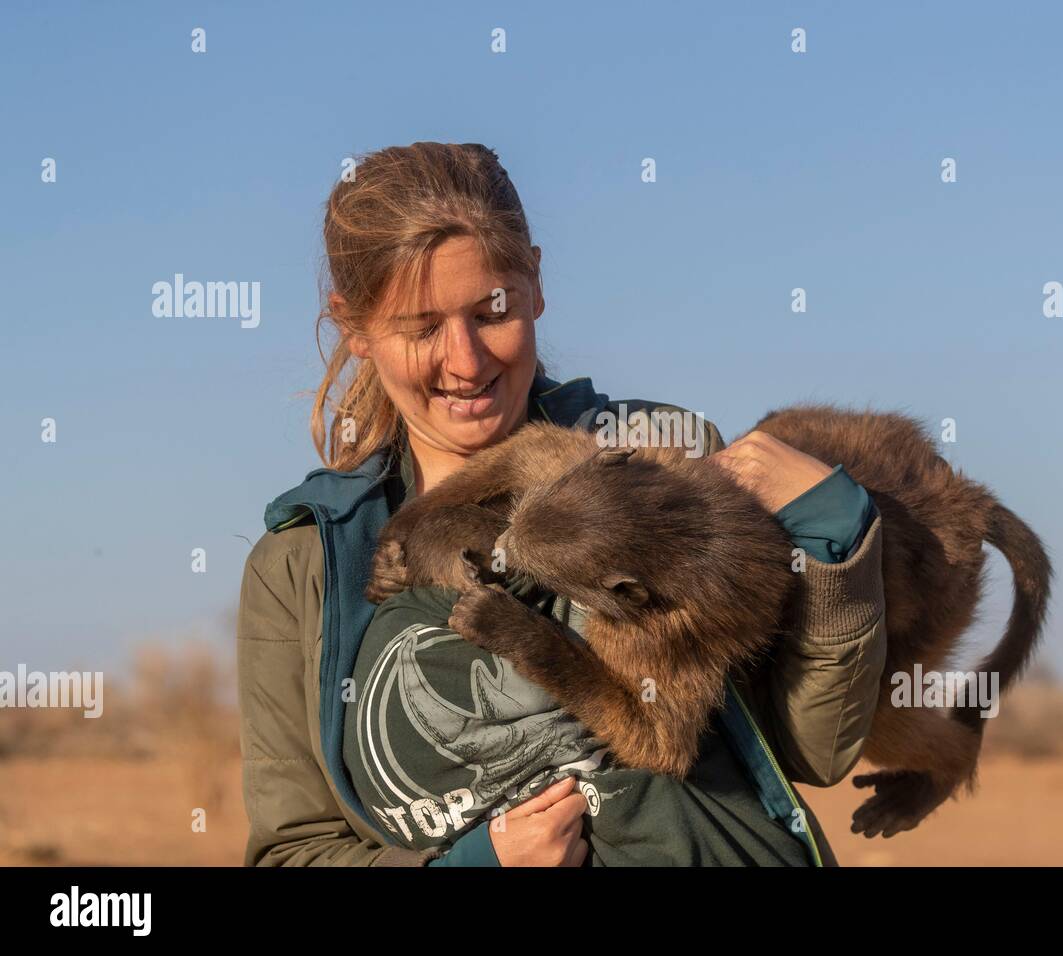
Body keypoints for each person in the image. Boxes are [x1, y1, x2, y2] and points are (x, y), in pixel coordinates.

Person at [236, 142, 888, 866]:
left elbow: (811, 750)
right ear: (354, 327)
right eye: (422, 328)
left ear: (535, 284)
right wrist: (479, 863)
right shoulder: (305, 562)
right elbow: (292, 852)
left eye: (492, 311)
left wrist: (836, 540)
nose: (467, 361)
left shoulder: (656, 461)